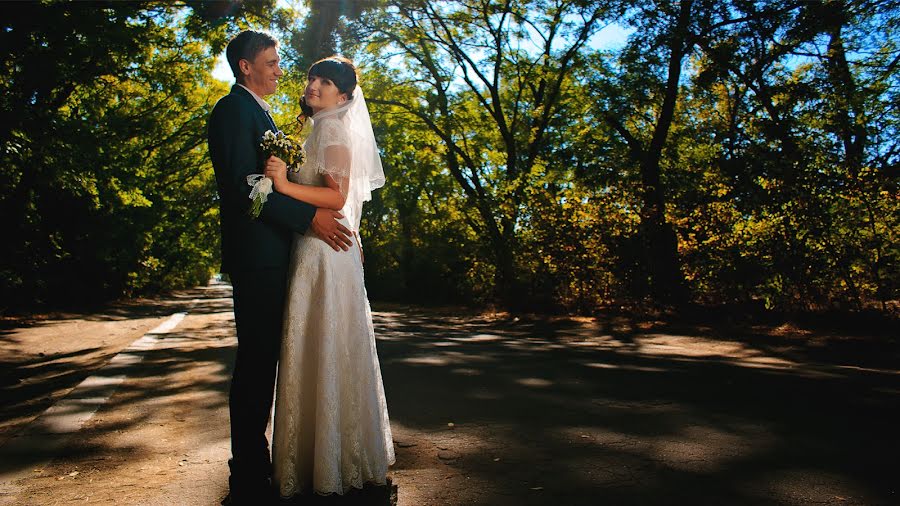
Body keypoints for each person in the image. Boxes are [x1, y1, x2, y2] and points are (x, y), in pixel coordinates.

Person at [206, 31, 355, 505]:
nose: (278, 69)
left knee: (270, 359)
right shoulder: (233, 111)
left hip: (279, 255)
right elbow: (243, 185)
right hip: (258, 258)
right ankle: (247, 471)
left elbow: (280, 181)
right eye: (270, 62)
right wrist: (308, 216)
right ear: (246, 67)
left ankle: (266, 458)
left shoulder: (264, 113)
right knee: (256, 363)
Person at [262, 56, 395, 501]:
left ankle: (330, 461)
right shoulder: (317, 127)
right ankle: (322, 458)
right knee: (317, 343)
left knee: (325, 343)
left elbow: (336, 196)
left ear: (344, 95)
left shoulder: (332, 129)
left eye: (325, 81)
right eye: (312, 77)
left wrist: (283, 184)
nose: (313, 85)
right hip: (314, 250)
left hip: (325, 251)